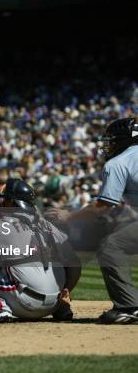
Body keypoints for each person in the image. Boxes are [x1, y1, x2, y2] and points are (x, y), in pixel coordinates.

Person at [0, 179, 81, 323]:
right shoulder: (48, 226)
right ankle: (63, 308)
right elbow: (75, 263)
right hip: (55, 303)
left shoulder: (1, 226)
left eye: (3, 199)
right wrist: (66, 290)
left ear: (12, 203)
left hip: (25, 303)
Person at [47, 117, 138, 324]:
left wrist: (69, 216)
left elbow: (103, 205)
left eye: (113, 140)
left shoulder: (118, 162)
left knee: (111, 246)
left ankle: (129, 307)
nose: (109, 145)